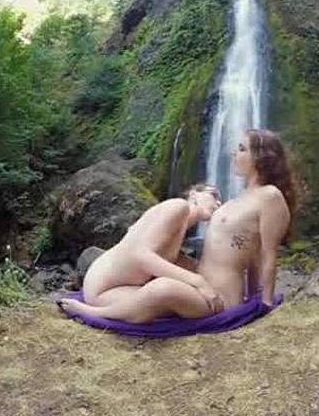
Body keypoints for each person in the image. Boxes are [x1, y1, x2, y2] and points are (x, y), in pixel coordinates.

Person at [59, 129, 298, 324]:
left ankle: (94, 313)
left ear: (261, 157)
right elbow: (249, 250)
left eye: (242, 148)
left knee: (162, 288)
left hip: (222, 297)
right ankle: (111, 301)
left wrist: (263, 303)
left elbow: (267, 254)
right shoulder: (240, 199)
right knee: (160, 284)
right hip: (201, 286)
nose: (233, 153)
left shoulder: (270, 196)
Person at [67, 184, 225, 316]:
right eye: (213, 195)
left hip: (120, 290)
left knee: (182, 303)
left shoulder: (181, 226)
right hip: (103, 288)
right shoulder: (178, 206)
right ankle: (92, 312)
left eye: (221, 201)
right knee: (166, 299)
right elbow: (140, 255)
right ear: (194, 194)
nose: (218, 203)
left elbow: (176, 263)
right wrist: (198, 281)